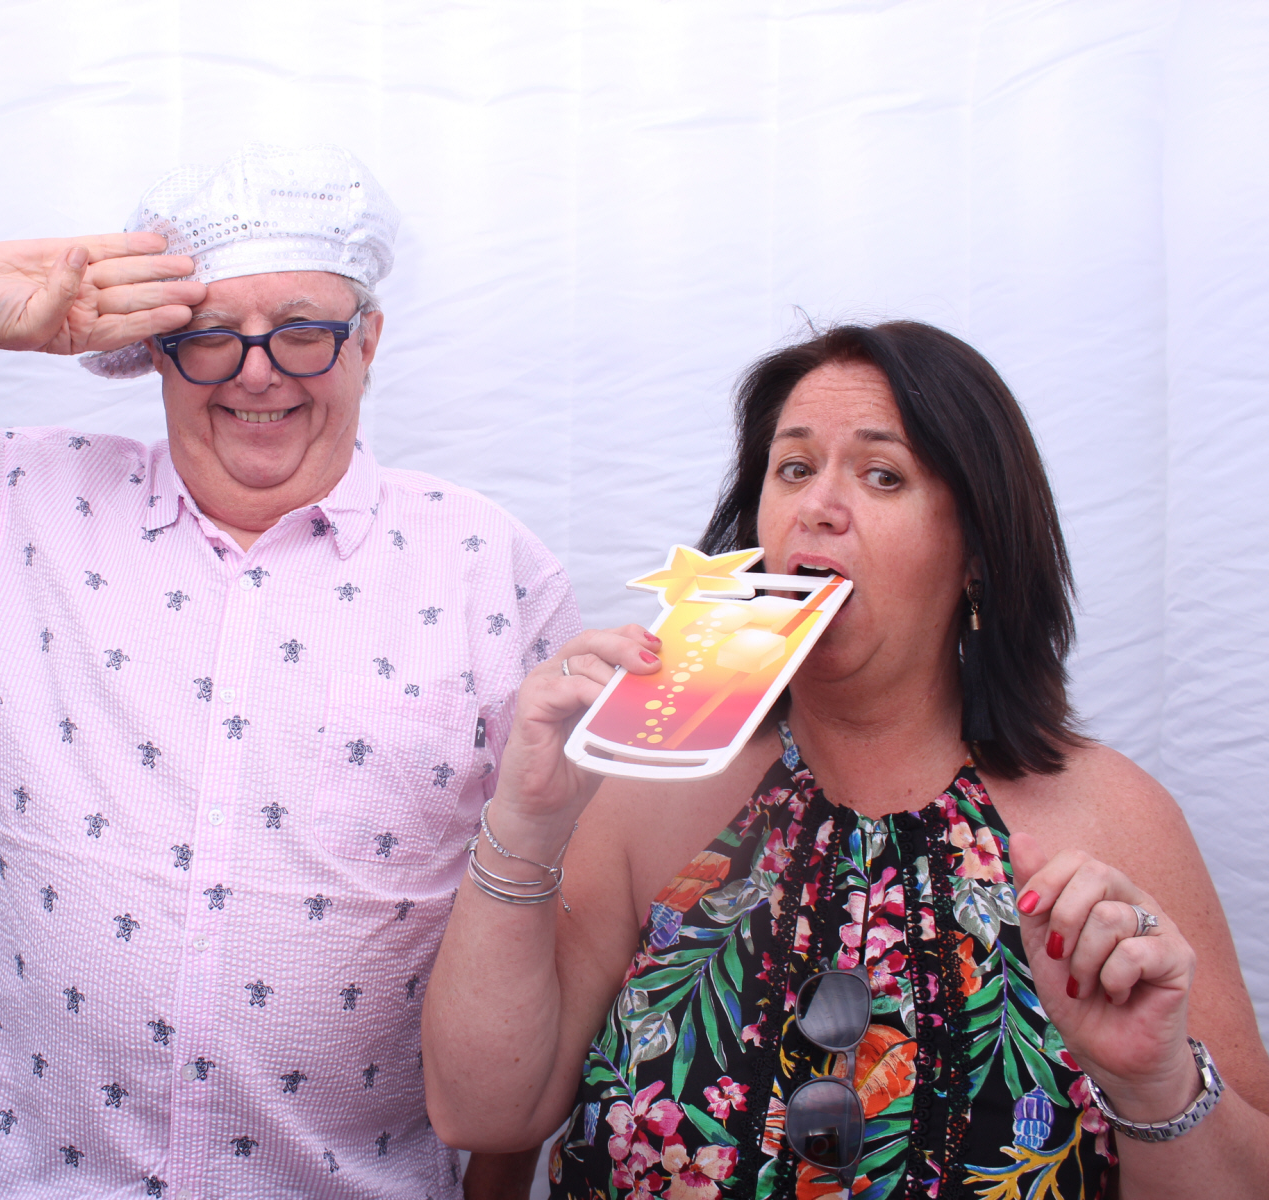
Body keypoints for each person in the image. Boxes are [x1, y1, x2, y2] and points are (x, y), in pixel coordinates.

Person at [0, 144, 577, 1200]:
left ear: (367, 341)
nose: (256, 372)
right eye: (210, 336)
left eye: (302, 330)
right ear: (155, 353)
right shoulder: (11, 503)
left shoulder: (487, 568)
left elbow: (544, 928)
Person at [421, 321, 1269, 1198]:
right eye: (793, 468)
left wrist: (1157, 1085)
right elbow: (482, 1114)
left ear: (977, 553)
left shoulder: (1114, 821)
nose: (818, 505)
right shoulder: (650, 792)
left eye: (882, 475)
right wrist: (525, 820)